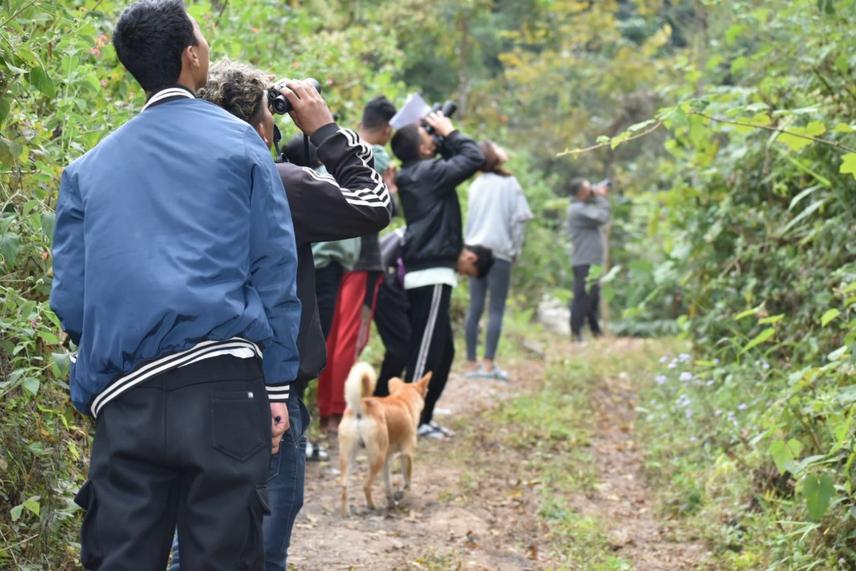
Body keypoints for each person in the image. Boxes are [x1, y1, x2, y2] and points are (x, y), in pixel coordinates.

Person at [50, 3, 298, 569]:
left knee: (121, 558)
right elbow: (273, 270)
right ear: (191, 56)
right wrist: (278, 386)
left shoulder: (87, 169)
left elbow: (71, 301)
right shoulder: (241, 144)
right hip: (225, 391)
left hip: (125, 396)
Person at [168, 60, 391, 571]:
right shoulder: (278, 184)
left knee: (194, 539)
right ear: (266, 124)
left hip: (181, 381)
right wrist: (325, 131)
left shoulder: (177, 178)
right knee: (264, 548)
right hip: (267, 386)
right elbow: (374, 203)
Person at [390, 111, 484, 439]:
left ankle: (423, 417)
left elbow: (456, 158)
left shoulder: (422, 172)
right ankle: (406, 422)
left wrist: (440, 137)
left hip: (434, 270)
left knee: (443, 351)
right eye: (428, 135)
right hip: (429, 272)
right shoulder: (428, 174)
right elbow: (474, 156)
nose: (433, 136)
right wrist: (451, 130)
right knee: (426, 351)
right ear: (426, 150)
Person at [316, 96, 398, 436]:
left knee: (330, 336)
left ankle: (327, 410)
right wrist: (390, 186)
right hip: (359, 258)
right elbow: (388, 207)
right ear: (388, 128)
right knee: (349, 339)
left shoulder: (338, 148)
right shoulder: (376, 157)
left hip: (330, 256)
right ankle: (338, 411)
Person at [374, 229, 495, 397]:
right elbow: (387, 254)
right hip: (384, 288)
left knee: (403, 349)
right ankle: (379, 401)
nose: (461, 273)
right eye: (467, 271)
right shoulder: (439, 243)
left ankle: (381, 400)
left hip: (395, 294)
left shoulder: (441, 245)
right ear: (470, 258)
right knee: (400, 350)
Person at [463, 141, 533, 380]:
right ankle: (489, 364)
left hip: (474, 251)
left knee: (475, 307)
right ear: (495, 156)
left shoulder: (476, 185)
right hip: (500, 251)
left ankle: (471, 365)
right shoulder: (510, 184)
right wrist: (515, 250)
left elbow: (470, 221)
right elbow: (519, 220)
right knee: (496, 308)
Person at [566, 177, 611, 341]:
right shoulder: (577, 209)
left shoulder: (582, 207)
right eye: (588, 188)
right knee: (582, 298)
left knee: (593, 298)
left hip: (590, 260)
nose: (591, 189)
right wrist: (601, 197)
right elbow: (602, 217)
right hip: (584, 261)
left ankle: (596, 332)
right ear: (581, 193)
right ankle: (576, 332)